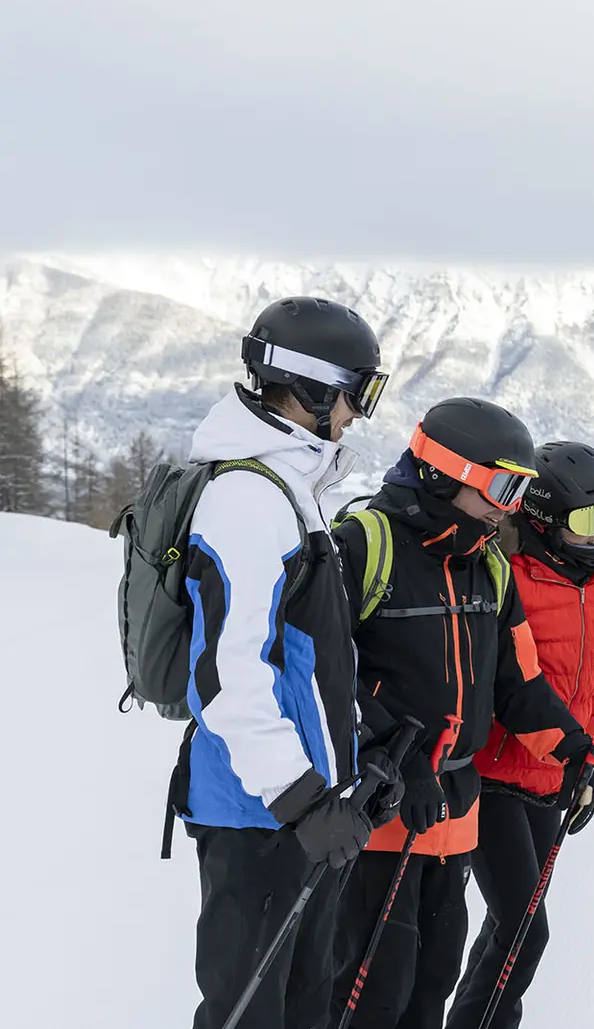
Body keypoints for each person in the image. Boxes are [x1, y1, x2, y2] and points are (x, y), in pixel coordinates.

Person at [330, 398, 594, 1029]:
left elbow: (518, 682)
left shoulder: (488, 565)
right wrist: (395, 759)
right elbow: (327, 677)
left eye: (519, 489)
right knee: (372, 992)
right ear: (447, 474)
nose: (510, 506)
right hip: (383, 806)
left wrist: (571, 750)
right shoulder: (365, 547)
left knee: (431, 989)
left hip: (456, 808)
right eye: (502, 486)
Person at [180, 296, 394, 1029]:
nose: (360, 414)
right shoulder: (247, 500)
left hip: (303, 810)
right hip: (257, 817)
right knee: (249, 1015)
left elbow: (308, 656)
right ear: (311, 392)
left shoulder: (291, 490)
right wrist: (302, 799)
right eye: (358, 393)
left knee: (306, 1006)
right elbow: (227, 679)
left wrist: (360, 750)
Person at [446, 441, 594, 1029]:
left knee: (510, 925)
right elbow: (496, 683)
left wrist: (579, 757)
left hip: (552, 772)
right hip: (493, 774)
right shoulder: (504, 571)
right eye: (585, 519)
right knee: (525, 929)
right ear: (544, 521)